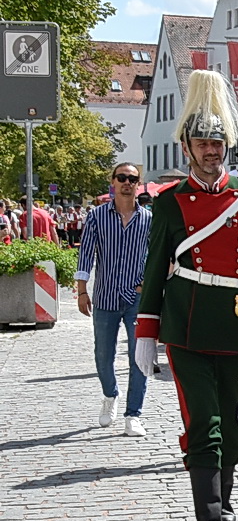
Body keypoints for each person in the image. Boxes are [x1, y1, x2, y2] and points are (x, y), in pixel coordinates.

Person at [134, 70, 238, 521]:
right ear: (186, 148)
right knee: (203, 423)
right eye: (202, 143)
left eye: (218, 142)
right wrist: (145, 332)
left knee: (232, 425)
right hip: (187, 324)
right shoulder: (169, 202)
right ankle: (207, 518)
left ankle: (223, 497)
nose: (211, 151)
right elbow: (155, 270)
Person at [76, 163, 153, 435]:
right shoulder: (97, 216)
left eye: (132, 179)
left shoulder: (147, 219)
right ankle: (110, 395)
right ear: (113, 181)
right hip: (105, 296)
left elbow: (156, 255)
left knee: (139, 356)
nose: (127, 183)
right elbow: (85, 253)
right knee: (102, 355)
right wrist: (82, 289)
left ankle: (134, 414)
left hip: (136, 297)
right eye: (122, 178)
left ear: (138, 184)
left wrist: (151, 285)